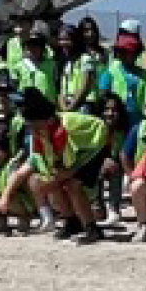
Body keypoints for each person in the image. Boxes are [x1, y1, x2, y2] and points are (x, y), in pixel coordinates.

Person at [22, 92, 109, 244]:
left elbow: (72, 162)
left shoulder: (65, 128)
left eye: (33, 125)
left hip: (94, 146)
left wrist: (71, 170)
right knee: (48, 183)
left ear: (47, 121)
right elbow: (41, 156)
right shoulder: (39, 130)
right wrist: (50, 175)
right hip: (72, 151)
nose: (31, 129)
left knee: (72, 185)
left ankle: (92, 229)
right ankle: (72, 222)